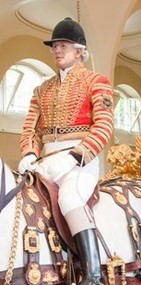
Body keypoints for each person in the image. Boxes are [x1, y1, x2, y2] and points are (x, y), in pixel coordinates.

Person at [18, 17, 114, 285]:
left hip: (79, 161)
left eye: (63, 45)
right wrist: (28, 153)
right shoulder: (41, 89)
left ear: (79, 50)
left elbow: (104, 125)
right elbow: (30, 130)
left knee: (70, 198)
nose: (57, 50)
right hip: (46, 160)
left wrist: (76, 156)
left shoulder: (97, 81)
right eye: (54, 46)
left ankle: (93, 274)